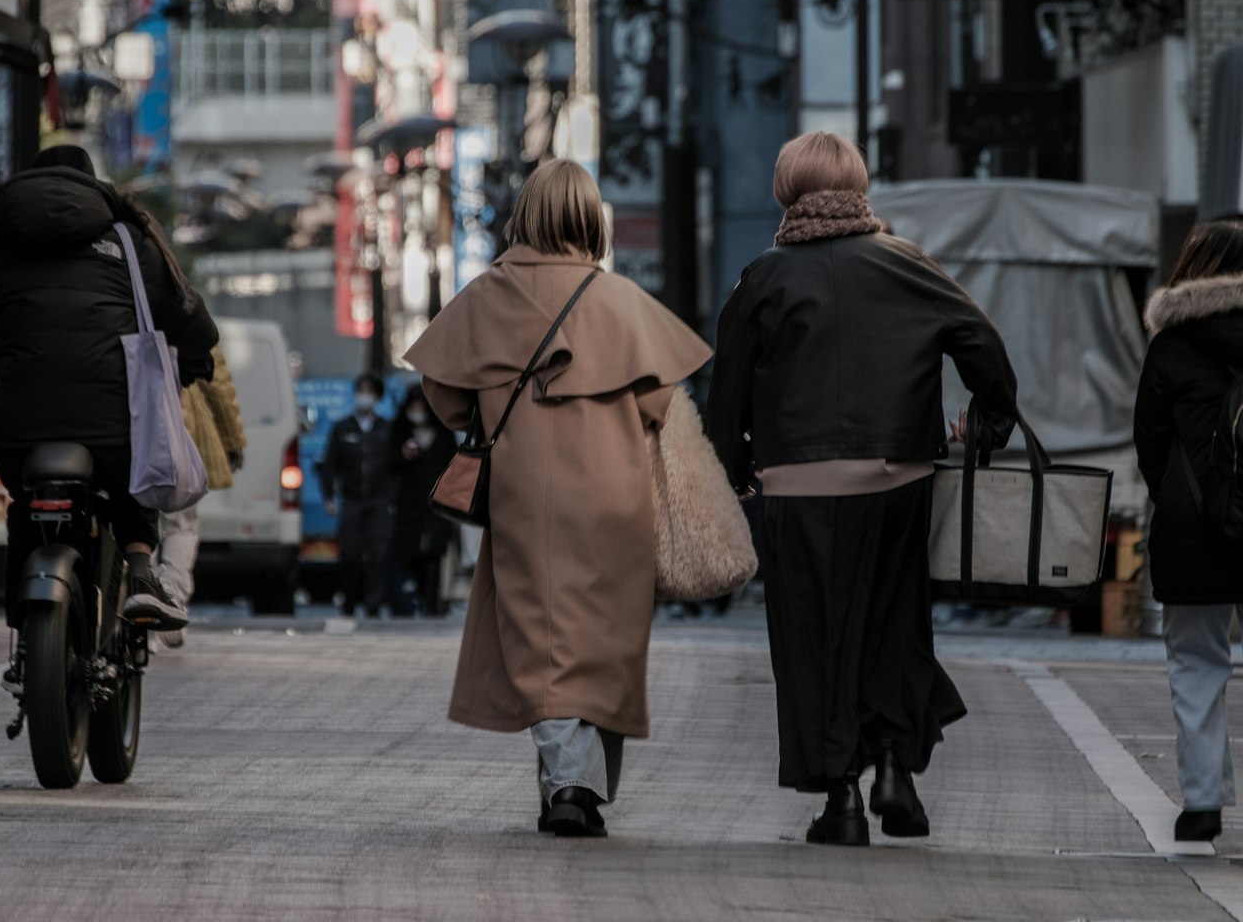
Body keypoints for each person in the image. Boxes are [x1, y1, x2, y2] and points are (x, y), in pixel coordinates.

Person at [707, 131, 1018, 847]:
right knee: (892, 624)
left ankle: (840, 799)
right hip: (898, 475)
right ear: (859, 183)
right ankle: (893, 769)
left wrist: (734, 467)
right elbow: (981, 341)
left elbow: (727, 388)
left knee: (812, 638)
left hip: (798, 483)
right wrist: (986, 422)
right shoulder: (907, 264)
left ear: (787, 189)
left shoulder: (763, 276)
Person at [406, 159, 711, 838]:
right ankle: (582, 783)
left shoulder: (486, 297)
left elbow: (444, 394)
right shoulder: (623, 303)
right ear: (590, 219)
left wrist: (494, 406)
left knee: (542, 639)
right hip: (618, 496)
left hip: (526, 496)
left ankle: (569, 782)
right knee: (606, 641)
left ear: (525, 215)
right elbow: (660, 401)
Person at [0, 145, 218, 690]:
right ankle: (143, 571)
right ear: (91, 188)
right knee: (128, 475)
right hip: (110, 424)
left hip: (19, 430)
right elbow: (187, 316)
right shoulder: (126, 242)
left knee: (27, 501)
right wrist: (195, 358)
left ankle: (28, 635)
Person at [1133, 218, 1243, 844]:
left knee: (1197, 661)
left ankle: (1202, 801)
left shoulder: (1171, 347)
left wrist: (1181, 503)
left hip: (1193, 529)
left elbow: (1150, 444)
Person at [154, 341, 247, 649]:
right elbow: (217, 382)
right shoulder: (180, 303)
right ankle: (171, 599)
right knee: (179, 525)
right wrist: (232, 440)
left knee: (126, 523)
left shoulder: (108, 300)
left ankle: (123, 607)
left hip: (118, 428)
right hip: (175, 436)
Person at [318, 374, 397, 617]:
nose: (364, 396)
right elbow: (329, 464)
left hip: (379, 500)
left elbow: (395, 466)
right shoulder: (342, 428)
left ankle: (373, 604)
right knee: (349, 553)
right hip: (352, 499)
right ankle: (349, 602)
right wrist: (329, 496)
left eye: (369, 391)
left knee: (378, 554)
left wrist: (393, 498)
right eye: (360, 390)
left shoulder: (387, 429)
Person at [387, 384, 458, 617]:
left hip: (438, 503)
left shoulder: (442, 434)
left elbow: (453, 464)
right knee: (409, 552)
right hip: (408, 504)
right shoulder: (399, 432)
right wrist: (403, 457)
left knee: (435, 552)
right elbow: (387, 465)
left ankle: (432, 600)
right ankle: (412, 597)